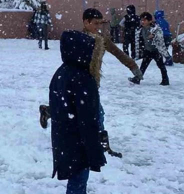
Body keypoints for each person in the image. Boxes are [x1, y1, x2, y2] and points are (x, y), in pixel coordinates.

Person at [40, 9, 141, 152]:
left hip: (91, 83)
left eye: (100, 23)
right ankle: (101, 145)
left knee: (78, 109)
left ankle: (48, 111)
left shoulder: (102, 39)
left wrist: (133, 66)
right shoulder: (78, 38)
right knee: (95, 113)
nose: (98, 26)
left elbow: (118, 53)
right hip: (79, 83)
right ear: (86, 22)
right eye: (95, 23)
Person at [48, 30, 107, 194]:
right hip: (79, 141)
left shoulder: (62, 72)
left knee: (77, 179)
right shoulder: (82, 78)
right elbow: (88, 119)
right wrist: (94, 149)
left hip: (65, 138)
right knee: (78, 181)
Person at [129, 12, 172, 86]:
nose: (142, 22)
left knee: (161, 66)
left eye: (145, 20)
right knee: (143, 66)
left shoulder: (155, 28)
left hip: (156, 50)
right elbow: (138, 39)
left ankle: (165, 80)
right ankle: (137, 79)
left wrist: (154, 35)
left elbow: (160, 34)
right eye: (142, 20)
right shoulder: (140, 29)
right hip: (147, 50)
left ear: (150, 21)